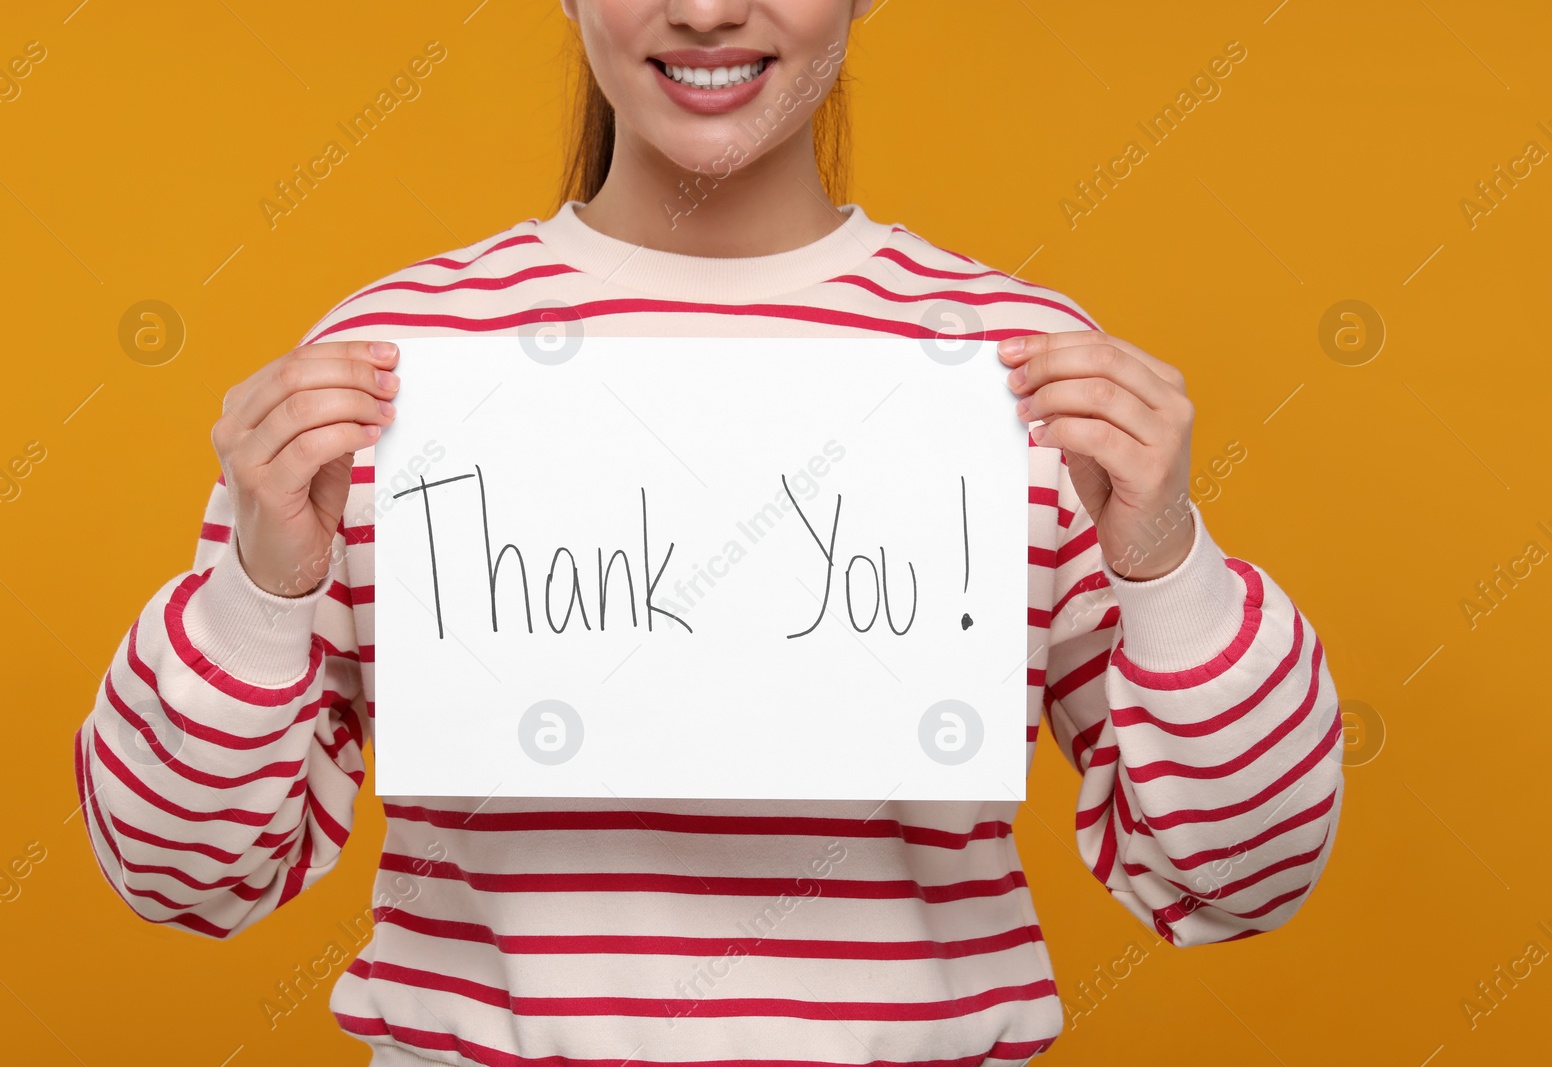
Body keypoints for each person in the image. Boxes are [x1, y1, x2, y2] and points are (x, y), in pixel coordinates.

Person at [73, 1, 1345, 1062]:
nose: (704, 9)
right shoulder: (397, 363)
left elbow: (1240, 877)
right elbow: (175, 873)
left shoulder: (1015, 368)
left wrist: (1170, 565)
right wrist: (260, 592)